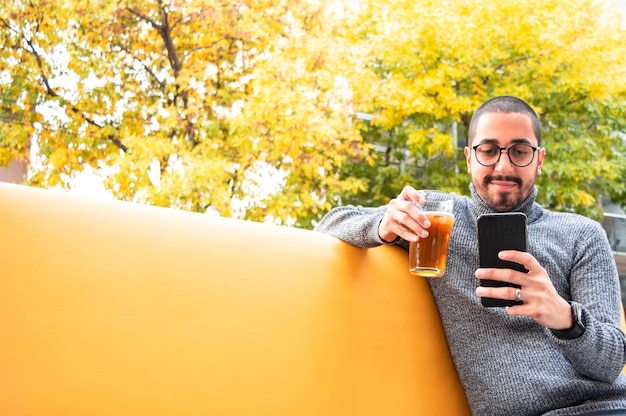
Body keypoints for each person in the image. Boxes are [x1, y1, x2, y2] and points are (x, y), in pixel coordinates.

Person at [315, 96, 626, 415]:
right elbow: (331, 221)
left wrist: (563, 316)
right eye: (489, 150)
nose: (503, 167)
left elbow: (611, 362)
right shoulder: (435, 218)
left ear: (539, 159)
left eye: (519, 151)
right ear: (468, 157)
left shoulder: (583, 233)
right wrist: (383, 224)